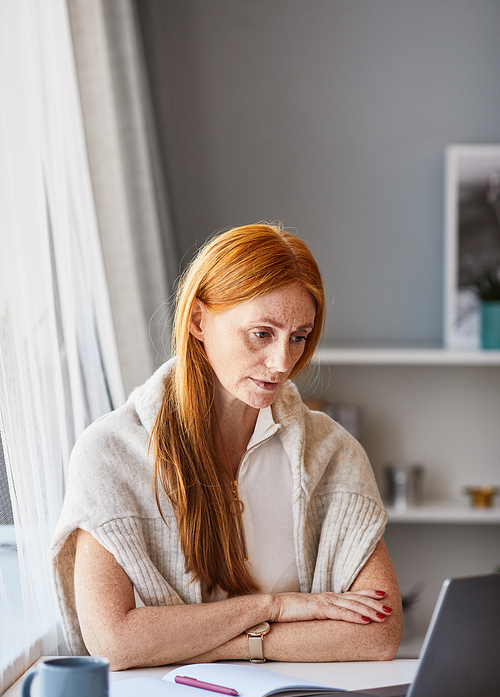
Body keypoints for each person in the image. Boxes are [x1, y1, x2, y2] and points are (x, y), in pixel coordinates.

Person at [49, 223, 402, 671]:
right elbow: (113, 642)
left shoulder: (332, 453)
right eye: (261, 333)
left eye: (299, 336)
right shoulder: (110, 453)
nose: (282, 363)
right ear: (199, 320)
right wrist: (269, 607)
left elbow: (379, 634)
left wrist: (213, 642)